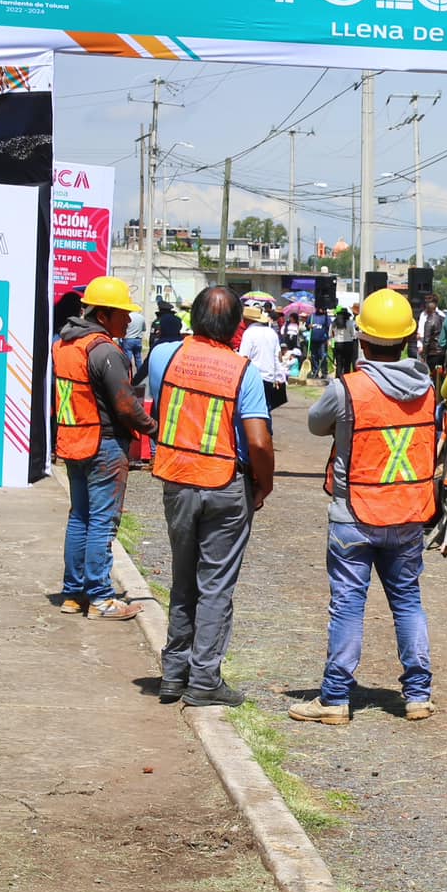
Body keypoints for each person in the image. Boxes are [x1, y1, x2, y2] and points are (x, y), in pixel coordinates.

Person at [294, 288, 438, 726]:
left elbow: (315, 424)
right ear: (409, 339)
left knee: (348, 605)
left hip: (354, 516)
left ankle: (335, 699)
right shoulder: (428, 389)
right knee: (408, 602)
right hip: (409, 514)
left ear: (363, 338)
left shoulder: (348, 389)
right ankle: (418, 695)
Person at [146, 285, 275, 708]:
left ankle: (172, 673)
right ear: (237, 327)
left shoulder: (165, 355)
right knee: (216, 584)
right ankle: (204, 679)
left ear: (193, 319)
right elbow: (257, 442)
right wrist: (264, 483)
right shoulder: (244, 373)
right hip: (225, 485)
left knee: (183, 578)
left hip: (177, 479)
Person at [52, 276, 157, 621]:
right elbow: (125, 405)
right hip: (103, 445)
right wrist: (151, 428)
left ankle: (73, 594)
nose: (128, 321)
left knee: (79, 518)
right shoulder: (105, 350)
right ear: (104, 314)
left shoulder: (66, 344)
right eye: (123, 314)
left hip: (74, 440)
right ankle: (100, 598)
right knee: (102, 522)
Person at [240, 302, 288, 412]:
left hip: (253, 379)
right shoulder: (272, 333)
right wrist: (280, 377)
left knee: (252, 411)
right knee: (266, 410)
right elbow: (278, 357)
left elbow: (244, 357)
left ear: (248, 320)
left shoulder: (249, 333)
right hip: (269, 379)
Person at [417, 291, 447, 375]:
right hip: (441, 351)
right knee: (439, 375)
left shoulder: (429, 321)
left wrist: (423, 354)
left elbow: (426, 339)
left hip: (432, 352)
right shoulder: (441, 318)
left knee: (430, 374)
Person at [331, 304, 358, 376]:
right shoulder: (350, 322)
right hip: (348, 344)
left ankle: (338, 377)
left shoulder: (334, 323)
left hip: (337, 343)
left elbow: (330, 334)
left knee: (339, 363)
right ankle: (346, 378)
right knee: (347, 363)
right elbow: (353, 334)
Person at [309, 306, 332, 380]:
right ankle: (315, 372)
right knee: (314, 357)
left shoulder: (326, 317)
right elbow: (307, 325)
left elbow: (330, 328)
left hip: (322, 340)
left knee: (323, 357)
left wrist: (329, 340)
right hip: (313, 340)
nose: (322, 309)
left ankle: (324, 373)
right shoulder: (312, 316)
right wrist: (309, 326)